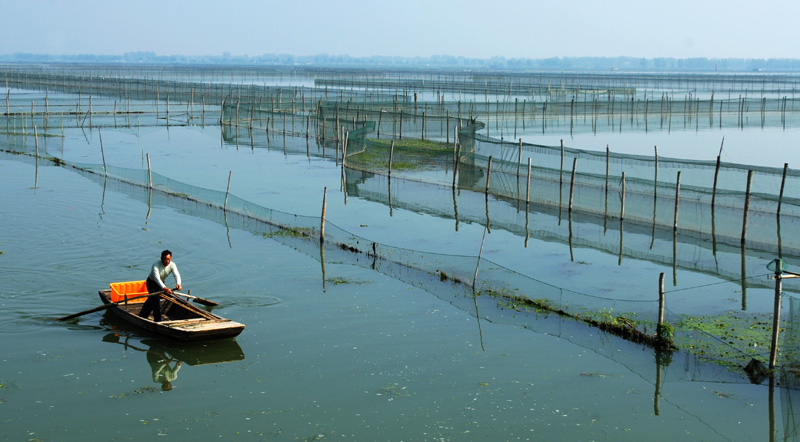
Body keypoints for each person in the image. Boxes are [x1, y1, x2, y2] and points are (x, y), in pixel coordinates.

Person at [139, 249, 182, 322]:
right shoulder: (155, 265)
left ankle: (142, 315)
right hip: (152, 283)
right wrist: (165, 288)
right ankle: (158, 320)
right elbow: (157, 279)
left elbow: (177, 275)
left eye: (168, 259)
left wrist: (178, 284)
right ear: (161, 258)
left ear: (171, 258)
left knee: (151, 299)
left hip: (161, 283)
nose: (167, 261)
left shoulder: (172, 265)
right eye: (165, 259)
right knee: (156, 301)